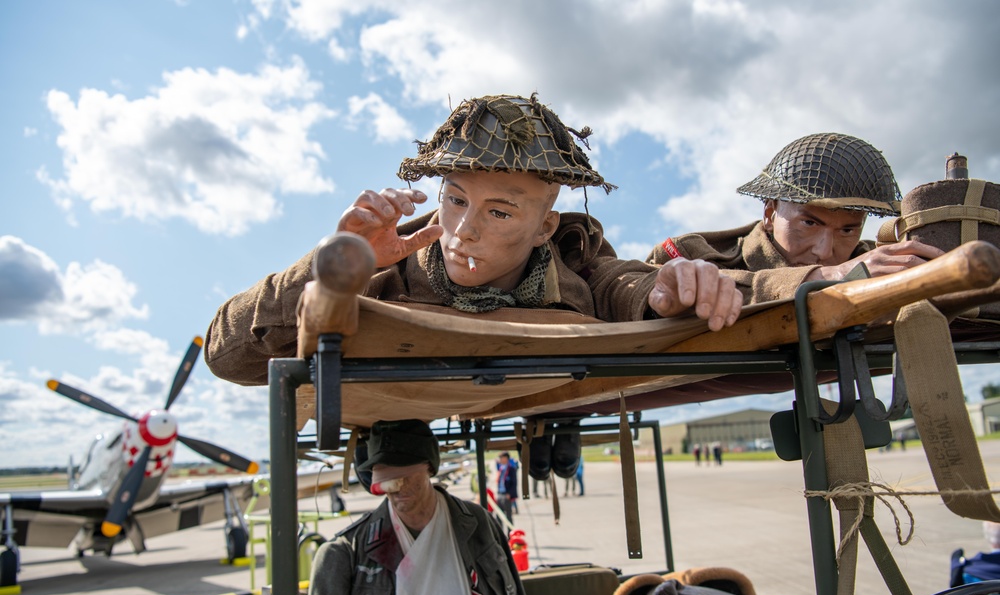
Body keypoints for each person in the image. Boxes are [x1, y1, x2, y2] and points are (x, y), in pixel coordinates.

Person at [204, 93, 743, 386]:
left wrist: (664, 293)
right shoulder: (377, 271)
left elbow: (622, 285)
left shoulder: (578, 266)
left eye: (501, 212)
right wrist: (334, 270)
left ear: (545, 228)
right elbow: (226, 356)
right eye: (455, 199)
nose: (464, 230)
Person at [308, 419, 538, 595]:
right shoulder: (344, 552)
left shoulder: (477, 522)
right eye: (388, 476)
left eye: (406, 473)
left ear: (430, 467)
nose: (397, 486)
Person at [646, 133, 944, 304]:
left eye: (848, 230)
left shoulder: (872, 261)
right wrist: (829, 277)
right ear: (769, 213)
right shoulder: (689, 254)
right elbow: (657, 292)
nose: (824, 252)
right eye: (809, 223)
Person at [495, 452, 518, 524]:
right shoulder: (501, 468)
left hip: (507, 495)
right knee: (499, 516)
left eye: (502, 458)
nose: (501, 460)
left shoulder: (511, 469)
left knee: (508, 516)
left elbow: (514, 483)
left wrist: (510, 494)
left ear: (506, 458)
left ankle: (510, 533)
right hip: (500, 494)